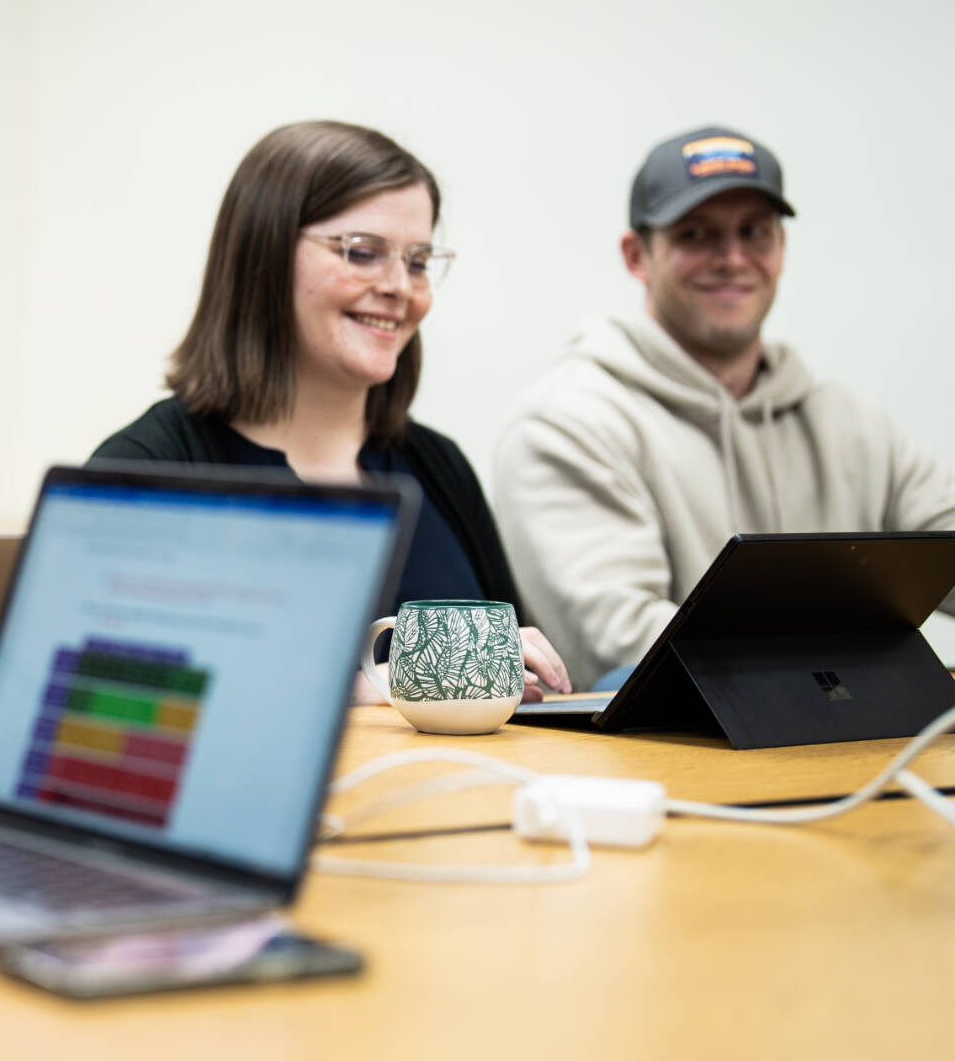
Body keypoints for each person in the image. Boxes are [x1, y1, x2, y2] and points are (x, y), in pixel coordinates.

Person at [90, 121, 570, 704]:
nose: (400, 287)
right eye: (363, 253)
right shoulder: (151, 468)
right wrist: (364, 688)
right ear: (262, 258)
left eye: (418, 262)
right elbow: (112, 699)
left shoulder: (437, 466)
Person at [493, 126, 955, 685]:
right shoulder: (567, 424)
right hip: (668, 765)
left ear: (781, 248)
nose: (732, 258)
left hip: (858, 753)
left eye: (754, 232)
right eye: (696, 234)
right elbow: (623, 646)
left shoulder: (852, 422)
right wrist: (848, 678)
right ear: (637, 255)